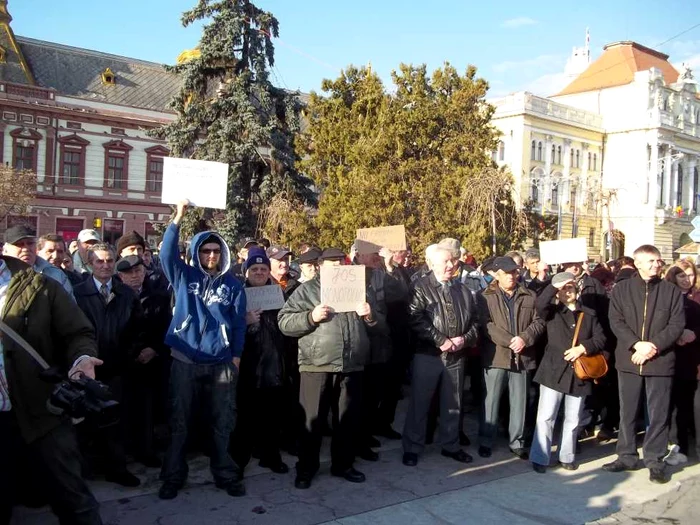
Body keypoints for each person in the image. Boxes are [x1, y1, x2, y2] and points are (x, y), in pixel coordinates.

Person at [0, 252, 103, 524]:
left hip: (42, 412)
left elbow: (78, 333)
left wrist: (82, 360)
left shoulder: (40, 286)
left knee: (73, 499)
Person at [158, 200, 247, 500]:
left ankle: (225, 473)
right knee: (179, 420)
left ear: (222, 254)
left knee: (223, 421)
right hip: (185, 359)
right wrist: (178, 217)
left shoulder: (233, 286)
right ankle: (172, 475)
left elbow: (238, 324)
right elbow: (166, 254)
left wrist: (235, 356)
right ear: (197, 253)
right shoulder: (183, 276)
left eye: (216, 251)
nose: (211, 255)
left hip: (221, 362)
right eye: (205, 251)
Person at [278, 247, 376, 489]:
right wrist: (311, 317)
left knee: (347, 420)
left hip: (351, 364)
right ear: (321, 266)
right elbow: (284, 322)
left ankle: (343, 464)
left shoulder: (358, 289)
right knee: (312, 421)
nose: (338, 266)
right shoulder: (308, 289)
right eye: (332, 262)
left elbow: (380, 325)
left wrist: (370, 316)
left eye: (341, 261)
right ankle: (306, 468)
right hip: (316, 364)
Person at [603, 245, 685, 484]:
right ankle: (626, 456)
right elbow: (615, 321)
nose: (655, 265)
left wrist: (652, 347)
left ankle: (654, 460)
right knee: (627, 411)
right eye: (650, 261)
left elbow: (676, 324)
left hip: (660, 361)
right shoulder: (622, 289)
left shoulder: (671, 291)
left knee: (658, 413)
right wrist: (636, 345)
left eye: (658, 261)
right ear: (637, 263)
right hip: (630, 360)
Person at [74, 243, 147, 487]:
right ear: (89, 263)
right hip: (87, 369)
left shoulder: (126, 293)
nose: (104, 266)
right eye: (99, 261)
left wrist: (130, 354)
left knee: (116, 421)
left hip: (117, 368)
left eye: (108, 261)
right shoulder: (77, 293)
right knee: (83, 422)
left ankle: (117, 468)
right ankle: (83, 472)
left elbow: (138, 328)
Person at [402, 246, 479, 467]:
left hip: (456, 355)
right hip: (428, 354)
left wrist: (464, 339)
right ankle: (412, 447)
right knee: (420, 403)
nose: (450, 265)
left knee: (453, 403)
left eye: (453, 261)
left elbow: (475, 321)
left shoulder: (462, 290)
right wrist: (441, 340)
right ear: (431, 264)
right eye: (445, 261)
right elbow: (415, 318)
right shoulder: (420, 287)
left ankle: (451, 445)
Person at [530, 273, 606, 473]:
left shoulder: (588, 314)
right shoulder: (553, 311)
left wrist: (583, 348)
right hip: (553, 371)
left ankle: (567, 455)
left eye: (570, 287)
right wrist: (555, 285)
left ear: (577, 290)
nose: (567, 291)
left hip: (579, 375)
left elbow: (600, 339)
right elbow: (540, 303)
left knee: (573, 419)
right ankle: (540, 457)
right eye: (563, 289)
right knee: (546, 417)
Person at [477, 256, 545, 459]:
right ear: (496, 275)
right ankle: (486, 440)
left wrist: (524, 338)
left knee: (520, 402)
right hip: (496, 357)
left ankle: (517, 442)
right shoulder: (485, 296)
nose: (512, 276)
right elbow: (486, 325)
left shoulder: (529, 296)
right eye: (507, 273)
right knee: (491, 402)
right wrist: (510, 341)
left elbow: (539, 321)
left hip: (522, 357)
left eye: (515, 272)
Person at [230, 247, 289, 474]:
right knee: (245, 419)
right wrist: (245, 322)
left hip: (273, 366)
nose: (259, 272)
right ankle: (238, 461)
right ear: (246, 271)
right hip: (247, 368)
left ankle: (270, 456)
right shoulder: (237, 294)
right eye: (254, 268)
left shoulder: (277, 293)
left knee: (271, 418)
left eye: (263, 268)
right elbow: (227, 329)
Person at [116, 255, 170, 468]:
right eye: (129, 272)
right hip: (124, 362)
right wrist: (132, 352)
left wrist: (154, 349)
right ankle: (124, 452)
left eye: (138, 271)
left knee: (147, 409)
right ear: (120, 275)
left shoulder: (159, 296)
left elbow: (166, 325)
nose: (135, 276)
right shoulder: (116, 297)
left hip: (152, 362)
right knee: (123, 409)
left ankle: (147, 450)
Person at [663, 264, 700, 464]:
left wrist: (694, 333)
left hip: (695, 358)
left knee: (696, 406)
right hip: (673, 357)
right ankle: (678, 446)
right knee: (677, 406)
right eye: (682, 275)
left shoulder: (697, 298)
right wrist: (677, 334)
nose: (687, 279)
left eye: (690, 274)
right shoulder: (667, 296)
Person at [2, 225, 74, 299]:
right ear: (5, 249)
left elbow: (70, 307)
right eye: (19, 244)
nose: (26, 249)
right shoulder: (2, 274)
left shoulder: (56, 275)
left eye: (30, 243)